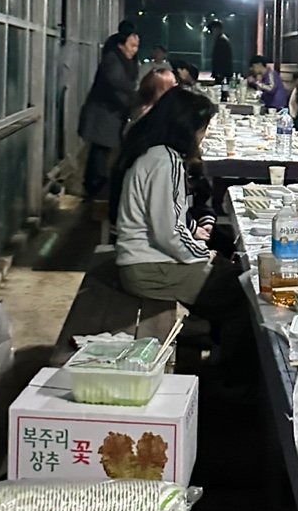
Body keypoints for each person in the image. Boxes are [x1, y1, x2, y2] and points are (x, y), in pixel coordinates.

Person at [111, 88, 251, 374]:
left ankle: (217, 350)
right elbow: (168, 234)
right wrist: (203, 255)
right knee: (244, 292)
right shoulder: (166, 161)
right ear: (187, 128)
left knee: (228, 275)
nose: (204, 135)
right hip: (148, 268)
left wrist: (200, 248)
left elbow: (167, 221)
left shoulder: (153, 153)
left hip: (143, 261)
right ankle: (233, 378)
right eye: (204, 128)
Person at [79, 28, 140, 196]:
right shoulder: (113, 62)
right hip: (102, 115)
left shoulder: (123, 60)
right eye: (132, 45)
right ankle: (95, 189)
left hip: (109, 115)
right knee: (100, 152)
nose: (135, 50)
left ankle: (94, 188)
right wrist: (135, 105)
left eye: (137, 46)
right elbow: (118, 89)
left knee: (101, 152)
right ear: (121, 45)